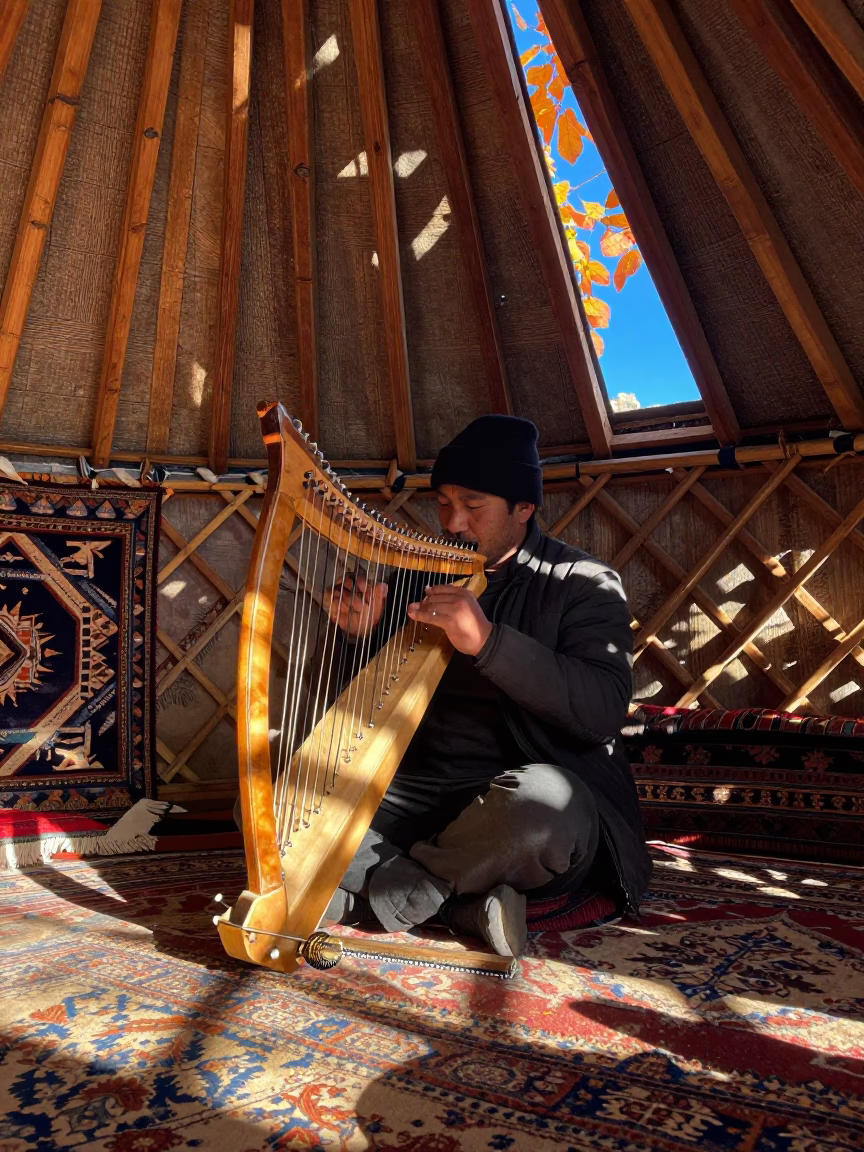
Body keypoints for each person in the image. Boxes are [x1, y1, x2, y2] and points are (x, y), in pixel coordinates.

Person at [317, 414, 652, 957]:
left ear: (525, 507)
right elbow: (347, 716)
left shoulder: (582, 584)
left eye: (473, 506)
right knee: (273, 780)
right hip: (409, 792)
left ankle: (362, 895)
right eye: (444, 503)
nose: (452, 523)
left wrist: (489, 642)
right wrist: (359, 638)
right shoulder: (413, 577)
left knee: (551, 806)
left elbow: (601, 711)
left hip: (508, 800)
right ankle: (457, 904)